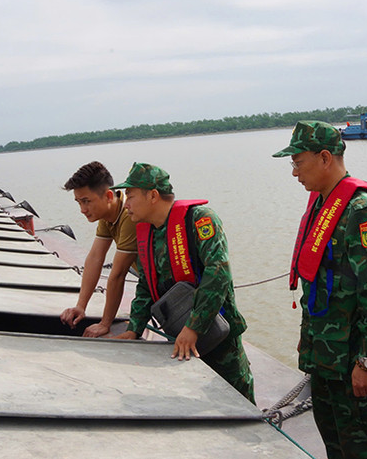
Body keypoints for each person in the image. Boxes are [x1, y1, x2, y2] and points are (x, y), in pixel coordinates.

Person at [273, 121, 367, 459]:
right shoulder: (322, 205)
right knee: (336, 447)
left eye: (298, 163)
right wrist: (308, 338)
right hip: (326, 358)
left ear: (325, 158)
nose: (295, 172)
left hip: (353, 361)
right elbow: (317, 284)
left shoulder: (361, 212)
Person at [110, 162, 255, 403]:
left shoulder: (200, 220)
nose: (126, 205)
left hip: (217, 331)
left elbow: (218, 274)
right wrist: (134, 329)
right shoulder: (147, 232)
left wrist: (193, 328)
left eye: (131, 196)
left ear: (153, 196)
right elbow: (146, 285)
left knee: (238, 397)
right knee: (194, 399)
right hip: (178, 331)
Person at [59, 161, 138, 337]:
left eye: (86, 201)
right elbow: (95, 257)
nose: (82, 209)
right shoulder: (107, 214)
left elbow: (118, 274)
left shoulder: (129, 215)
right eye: (79, 202)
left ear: (108, 196)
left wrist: (105, 323)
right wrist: (81, 306)